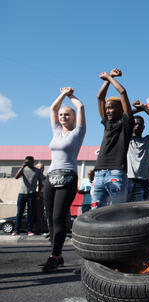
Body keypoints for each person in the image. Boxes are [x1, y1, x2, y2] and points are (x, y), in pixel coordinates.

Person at [42, 86, 86, 272]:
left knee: (59, 217)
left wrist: (71, 95)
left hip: (68, 177)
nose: (63, 117)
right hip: (51, 177)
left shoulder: (78, 132)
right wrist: (61, 95)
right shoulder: (56, 131)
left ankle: (54, 255)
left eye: (67, 114)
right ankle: (57, 254)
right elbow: (52, 108)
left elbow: (81, 107)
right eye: (61, 115)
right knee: (50, 218)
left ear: (73, 117)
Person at [92, 68, 134, 208]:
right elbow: (100, 97)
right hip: (99, 173)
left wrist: (110, 78)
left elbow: (122, 92)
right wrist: (108, 78)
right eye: (107, 108)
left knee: (117, 211)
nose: (107, 110)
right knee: (95, 212)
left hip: (116, 171)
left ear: (121, 109)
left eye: (111, 108)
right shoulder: (107, 122)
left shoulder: (126, 123)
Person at [127, 100, 149, 202]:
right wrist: (137, 110)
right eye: (135, 124)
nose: (137, 126)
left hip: (143, 182)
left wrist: (145, 109)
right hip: (127, 181)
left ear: (144, 127)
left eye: (140, 124)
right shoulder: (125, 139)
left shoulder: (148, 141)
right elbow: (122, 117)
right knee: (124, 213)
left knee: (140, 212)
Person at [12, 156, 43, 236]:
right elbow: (16, 177)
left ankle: (29, 230)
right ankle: (16, 230)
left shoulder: (37, 171)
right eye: (26, 162)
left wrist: (39, 192)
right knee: (19, 212)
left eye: (29, 162)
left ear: (33, 162)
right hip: (22, 193)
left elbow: (40, 182)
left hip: (32, 194)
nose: (27, 163)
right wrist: (23, 166)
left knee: (30, 213)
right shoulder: (23, 169)